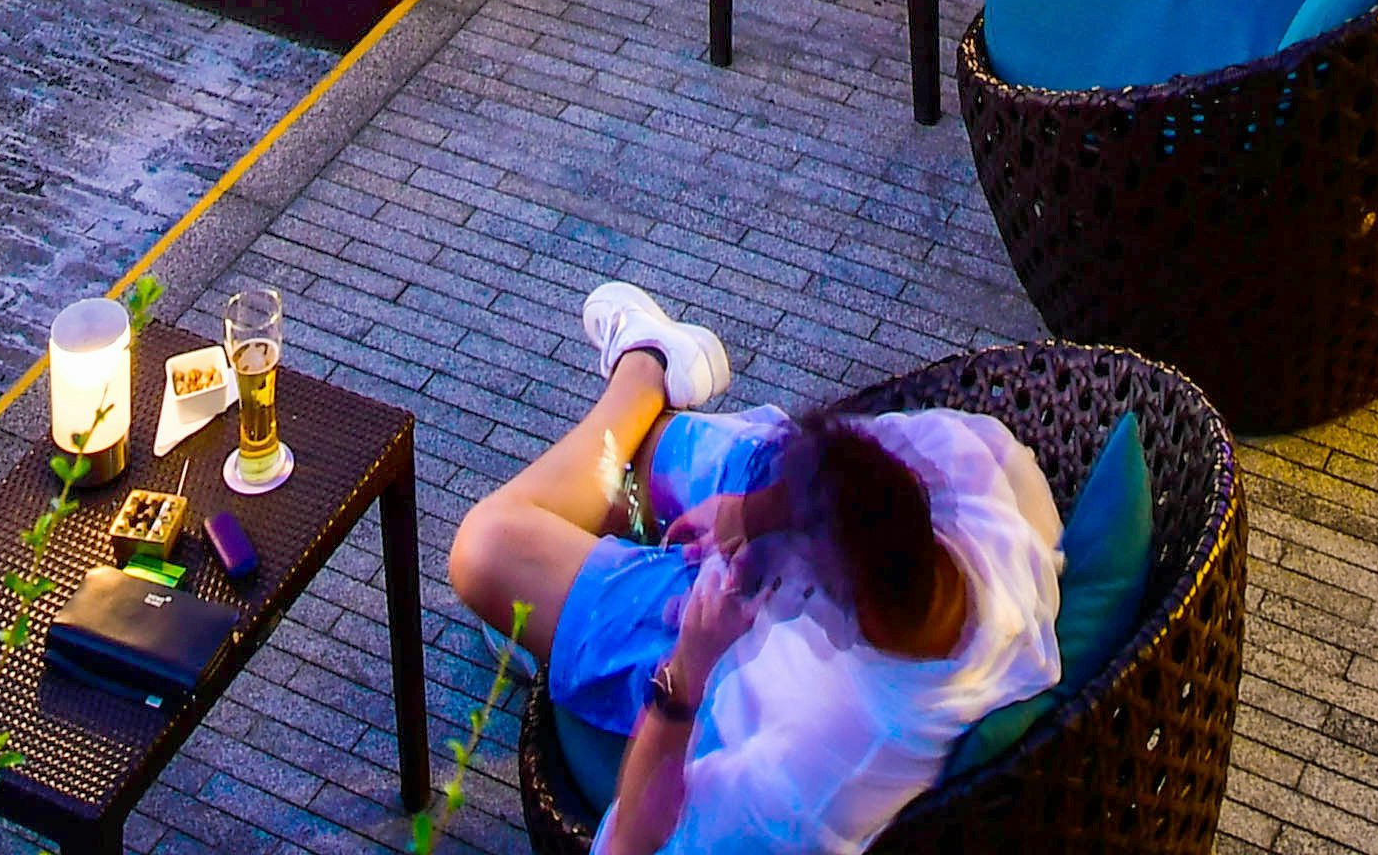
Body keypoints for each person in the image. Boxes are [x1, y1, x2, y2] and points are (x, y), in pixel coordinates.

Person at [451, 285, 1063, 855]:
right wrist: (752, 512)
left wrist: (685, 675)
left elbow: (623, 848)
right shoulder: (983, 473)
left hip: (712, 650)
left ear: (827, 612)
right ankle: (574, 573)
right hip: (793, 524)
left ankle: (645, 366)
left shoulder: (804, 770)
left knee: (485, 547)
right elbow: (858, 482)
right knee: (641, 459)